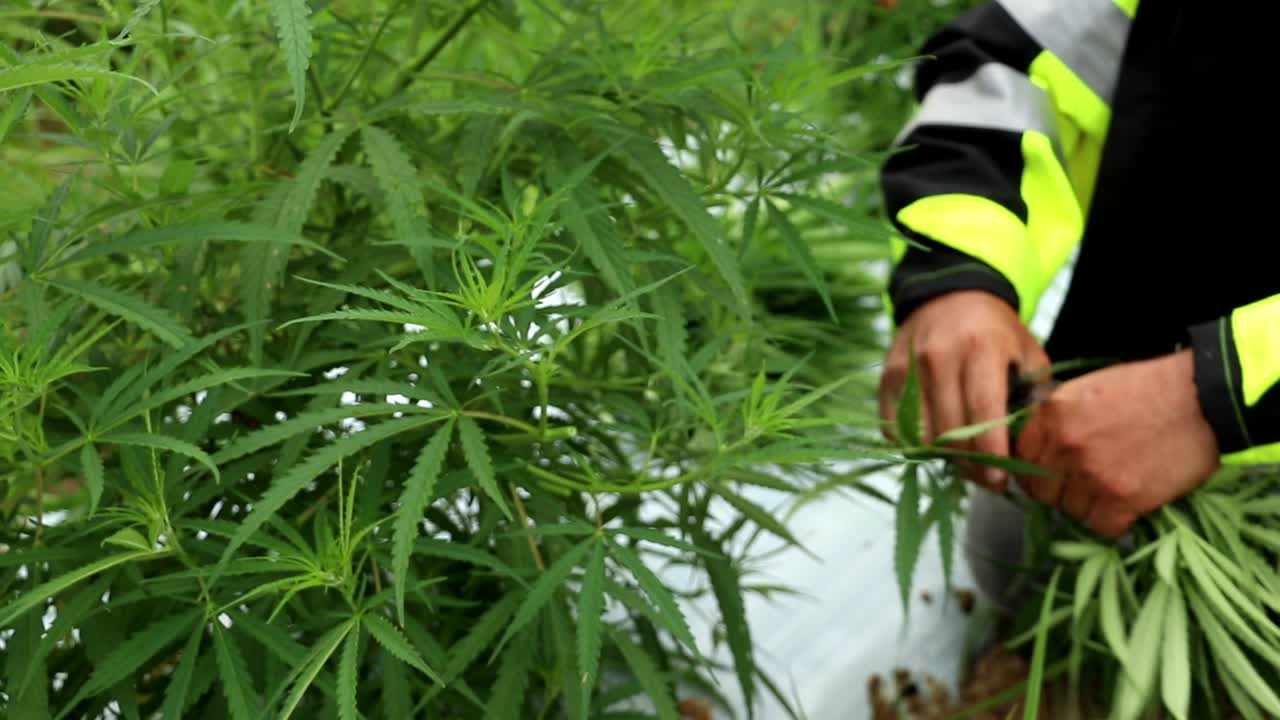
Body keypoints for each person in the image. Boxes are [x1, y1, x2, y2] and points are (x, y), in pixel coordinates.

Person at [875, 0, 1280, 610]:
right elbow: (1015, 61)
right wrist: (960, 275)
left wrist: (1220, 395)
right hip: (1120, 384)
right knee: (1013, 555)